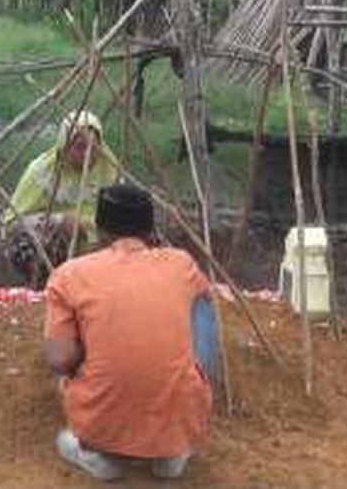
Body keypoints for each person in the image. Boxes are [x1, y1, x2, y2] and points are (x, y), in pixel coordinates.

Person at [44, 184, 212, 480]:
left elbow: (59, 360)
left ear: (99, 231)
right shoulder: (181, 264)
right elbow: (204, 308)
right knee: (200, 307)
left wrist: (90, 344)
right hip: (180, 413)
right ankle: (173, 450)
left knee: (67, 348)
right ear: (150, 231)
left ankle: (97, 453)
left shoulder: (69, 275)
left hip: (102, 418)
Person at [1, 110, 120, 287]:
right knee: (31, 247)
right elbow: (12, 224)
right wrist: (58, 220)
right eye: (80, 147)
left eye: (93, 147)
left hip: (96, 243)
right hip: (55, 244)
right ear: (64, 147)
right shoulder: (42, 172)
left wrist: (90, 228)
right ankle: (47, 288)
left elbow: (120, 218)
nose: (87, 154)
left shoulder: (108, 169)